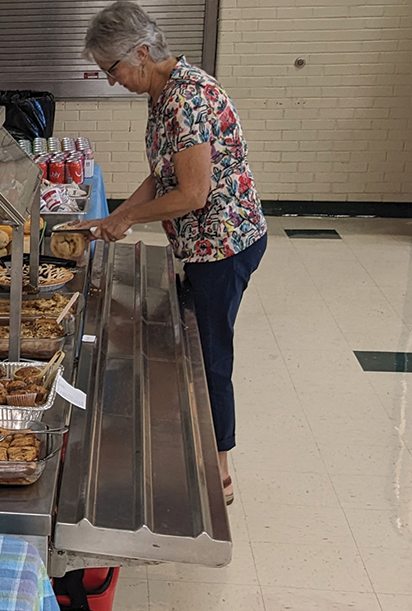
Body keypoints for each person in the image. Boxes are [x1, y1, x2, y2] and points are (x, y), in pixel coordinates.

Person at [82, 0, 266, 504]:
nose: (112, 80)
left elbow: (192, 194)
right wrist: (114, 215)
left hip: (223, 244)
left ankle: (220, 471)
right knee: (196, 348)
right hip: (200, 241)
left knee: (210, 355)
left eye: (112, 69)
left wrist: (125, 219)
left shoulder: (187, 99)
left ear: (140, 53)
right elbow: (164, 174)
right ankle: (200, 452)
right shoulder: (163, 92)